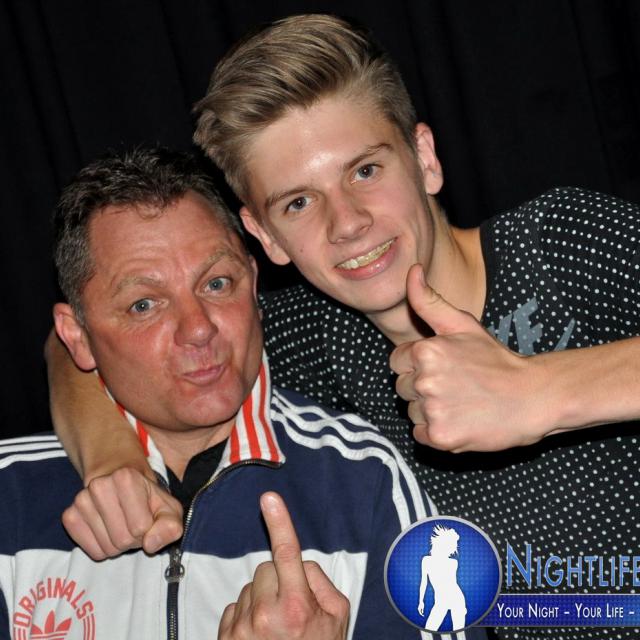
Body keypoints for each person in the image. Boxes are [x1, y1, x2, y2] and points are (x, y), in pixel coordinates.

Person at [46, 14, 640, 640]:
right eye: (299, 202)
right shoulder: (311, 334)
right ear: (266, 236)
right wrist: (112, 461)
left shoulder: (556, 245)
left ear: (424, 159)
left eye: (365, 171)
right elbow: (77, 346)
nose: (348, 222)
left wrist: (540, 390)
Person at [0, 147, 456, 640]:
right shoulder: (12, 495)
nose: (198, 328)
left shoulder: (363, 478)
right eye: (144, 304)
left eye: (217, 283)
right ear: (77, 337)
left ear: (254, 285)